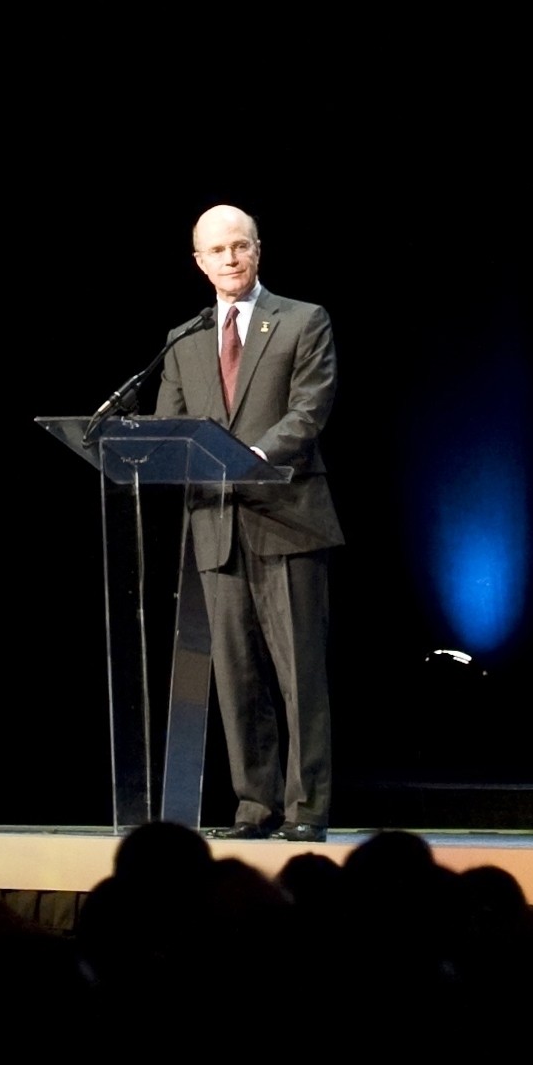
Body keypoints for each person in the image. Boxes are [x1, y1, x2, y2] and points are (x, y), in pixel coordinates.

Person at [155, 203, 342, 840]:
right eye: (218, 251)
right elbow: (168, 428)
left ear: (257, 250)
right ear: (200, 263)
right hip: (216, 526)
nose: (231, 259)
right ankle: (255, 806)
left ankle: (306, 809)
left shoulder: (302, 320)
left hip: (288, 517)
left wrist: (255, 456)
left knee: (298, 675)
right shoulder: (183, 341)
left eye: (241, 247)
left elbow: (309, 409)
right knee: (236, 677)